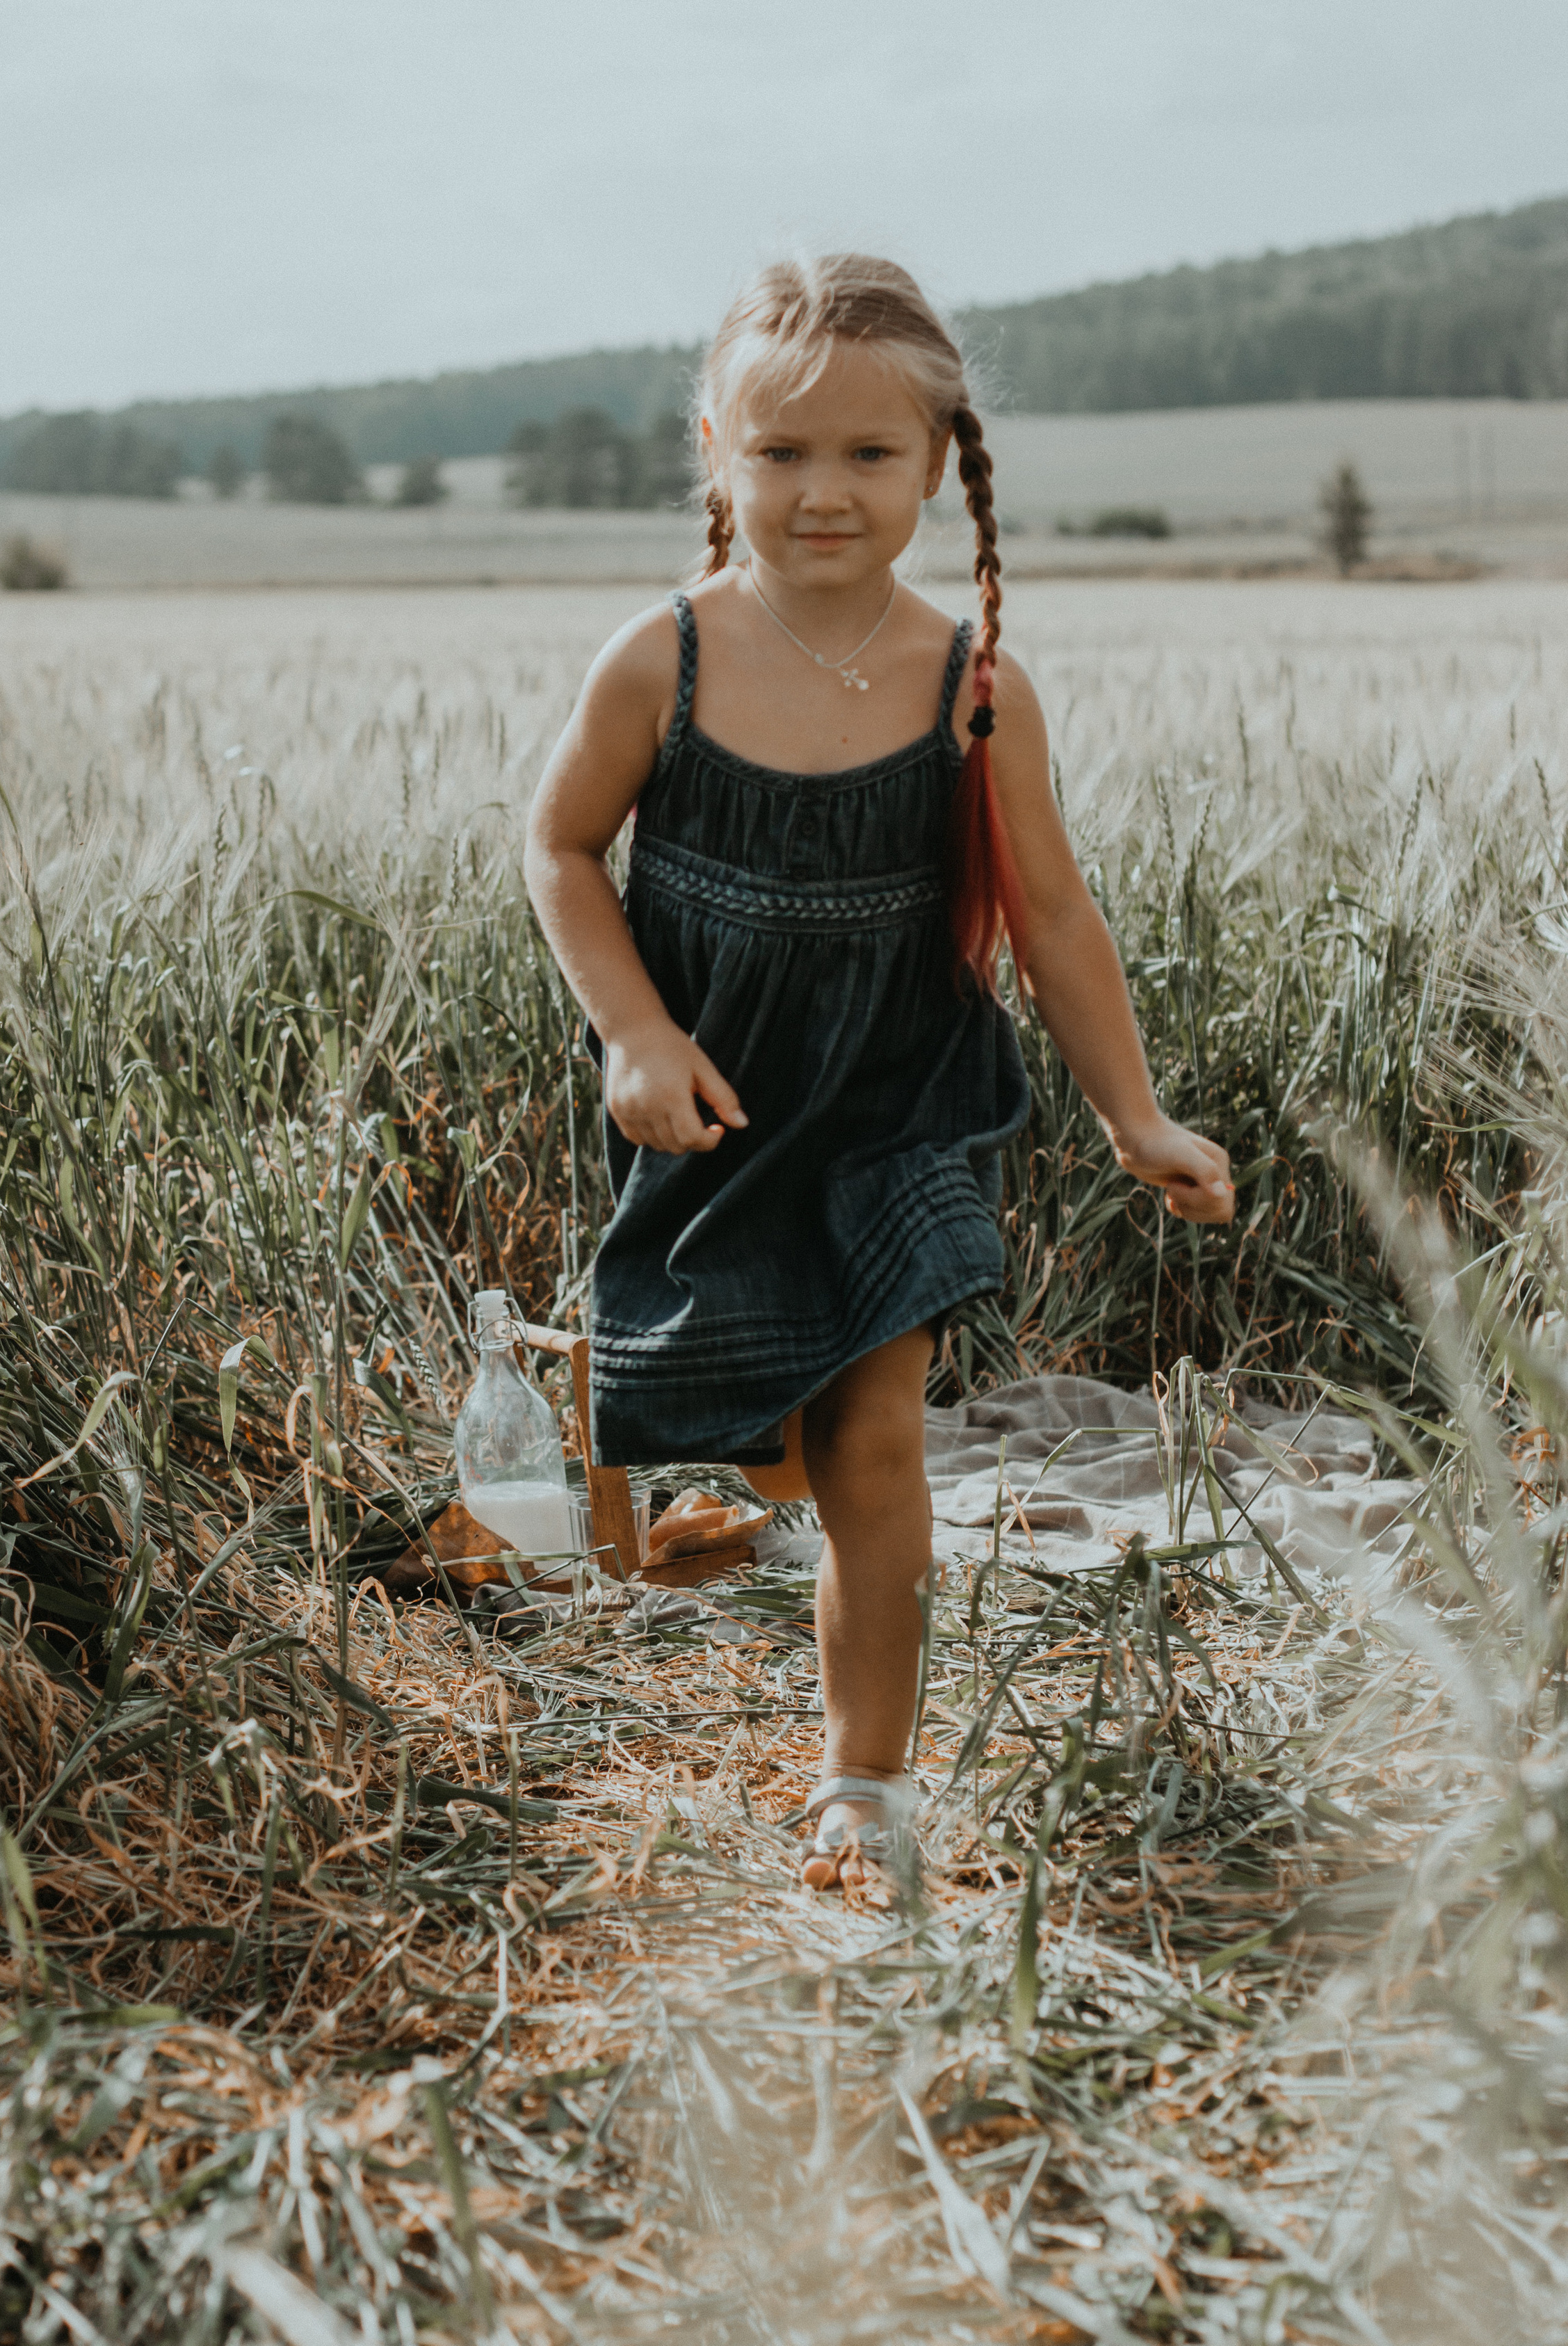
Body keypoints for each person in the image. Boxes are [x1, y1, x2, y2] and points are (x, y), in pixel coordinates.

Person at [524, 256, 1233, 1893]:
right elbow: (559, 847)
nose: (820, 493)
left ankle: (869, 1787)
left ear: (937, 465)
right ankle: (732, 1505)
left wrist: (1135, 1115)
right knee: (753, 1424)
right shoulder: (664, 662)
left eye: (865, 456)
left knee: (878, 1442)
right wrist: (634, 1033)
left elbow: (1050, 913)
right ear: (715, 453)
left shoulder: (970, 692)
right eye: (778, 455)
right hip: (720, 1101)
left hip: (901, 1103)